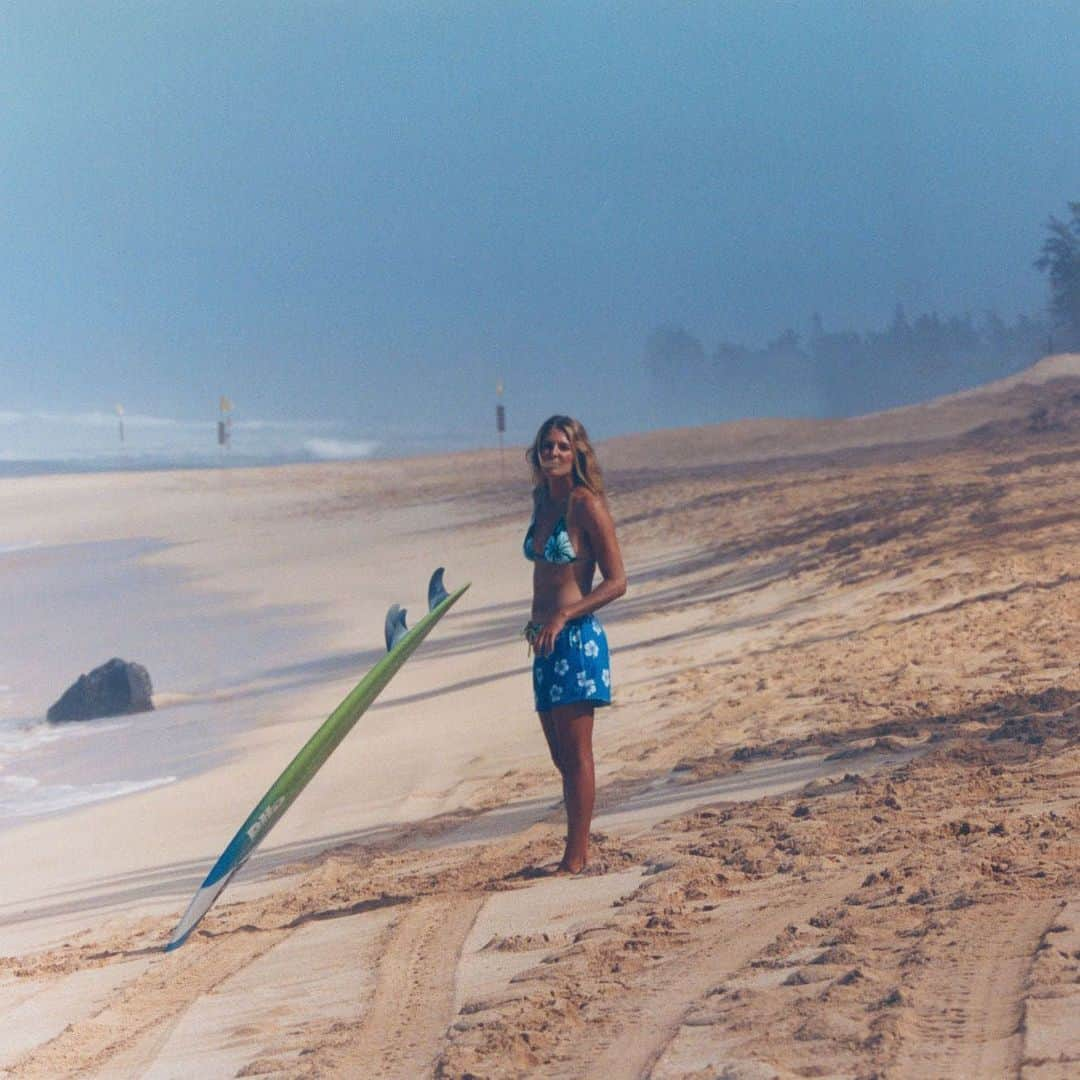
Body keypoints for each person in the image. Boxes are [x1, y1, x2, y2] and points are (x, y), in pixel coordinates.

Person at [523, 415, 626, 873]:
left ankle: (576, 856)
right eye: (547, 446)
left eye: (563, 446)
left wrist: (565, 613)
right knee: (559, 756)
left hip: (576, 641)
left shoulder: (587, 506)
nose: (554, 453)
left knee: (578, 754)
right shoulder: (541, 502)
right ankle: (576, 848)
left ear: (577, 452)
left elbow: (618, 581)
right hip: (544, 645)